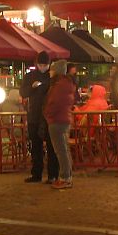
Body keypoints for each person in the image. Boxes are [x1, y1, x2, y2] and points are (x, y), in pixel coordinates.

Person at [19, 51, 56, 184]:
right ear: (36, 64)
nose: (42, 67)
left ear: (49, 64)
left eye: (45, 65)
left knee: (52, 146)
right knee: (36, 146)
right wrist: (32, 87)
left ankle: (53, 175)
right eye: (40, 64)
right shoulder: (30, 76)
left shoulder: (52, 76)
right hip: (34, 114)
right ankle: (36, 174)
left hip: (49, 115)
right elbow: (23, 92)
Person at [44, 60, 77, 189]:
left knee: (61, 151)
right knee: (64, 150)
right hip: (63, 119)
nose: (50, 72)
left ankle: (65, 178)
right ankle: (67, 176)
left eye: (52, 69)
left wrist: (48, 114)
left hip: (57, 120)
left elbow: (54, 103)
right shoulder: (67, 84)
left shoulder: (59, 85)